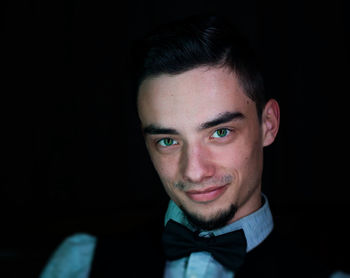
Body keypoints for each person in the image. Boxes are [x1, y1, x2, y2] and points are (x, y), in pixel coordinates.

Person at [40, 14, 349, 278]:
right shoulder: (81, 264)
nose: (195, 171)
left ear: (268, 124)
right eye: (168, 141)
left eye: (220, 132)